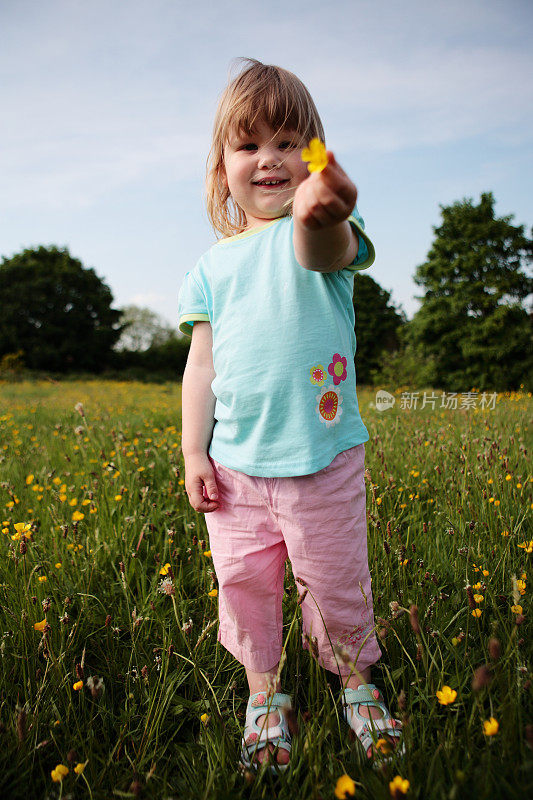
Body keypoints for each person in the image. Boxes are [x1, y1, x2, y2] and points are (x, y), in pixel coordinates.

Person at [178, 58, 403, 773]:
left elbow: (320, 250)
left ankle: (356, 684)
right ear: (222, 169)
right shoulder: (210, 267)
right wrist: (193, 454)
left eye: (287, 143)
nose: (268, 159)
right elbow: (201, 368)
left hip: (321, 459)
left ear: (312, 159)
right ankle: (264, 693)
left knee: (334, 582)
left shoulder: (324, 229)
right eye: (248, 145)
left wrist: (321, 211)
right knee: (242, 584)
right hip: (236, 468)